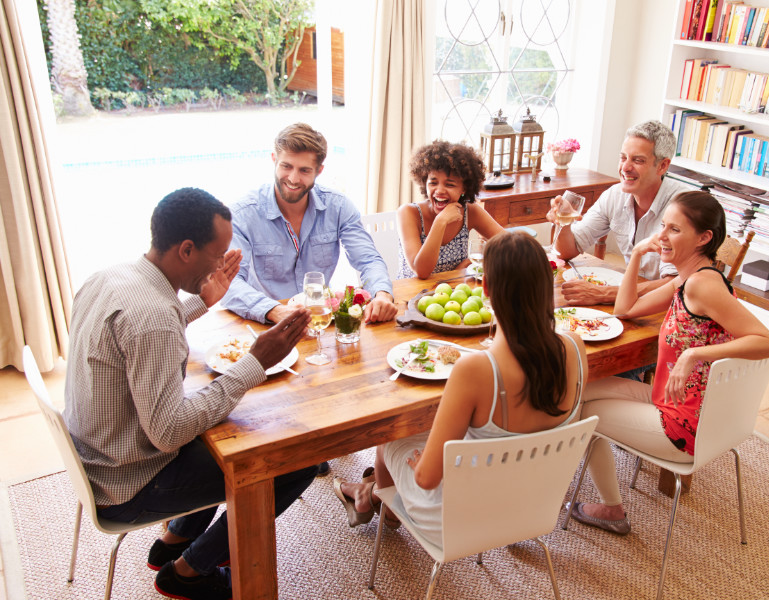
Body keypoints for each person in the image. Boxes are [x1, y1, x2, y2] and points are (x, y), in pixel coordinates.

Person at [63, 188, 318, 600]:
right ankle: (188, 573)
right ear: (185, 250)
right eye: (217, 255)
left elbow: (140, 336)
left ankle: (176, 540)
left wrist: (201, 302)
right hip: (128, 484)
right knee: (295, 459)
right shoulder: (155, 318)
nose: (223, 264)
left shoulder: (113, 276)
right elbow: (169, 431)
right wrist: (255, 362)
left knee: (229, 430)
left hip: (99, 454)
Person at [333, 232, 588, 545]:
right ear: (546, 284)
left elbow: (426, 478)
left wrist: (422, 462)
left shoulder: (476, 369)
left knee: (391, 438)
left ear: (486, 289)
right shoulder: (575, 348)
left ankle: (380, 503)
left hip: (457, 520)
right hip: (532, 508)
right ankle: (368, 495)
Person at [568, 191, 769, 534]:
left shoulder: (702, 286)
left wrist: (693, 354)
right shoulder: (689, 279)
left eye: (675, 230)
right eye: (663, 227)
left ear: (704, 238)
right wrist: (638, 252)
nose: (663, 237)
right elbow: (626, 309)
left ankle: (611, 510)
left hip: (685, 424)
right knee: (581, 390)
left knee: (582, 413)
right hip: (680, 402)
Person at [221, 122, 398, 325]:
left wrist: (382, 294)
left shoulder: (339, 206)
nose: (293, 179)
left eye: (304, 170)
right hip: (265, 323)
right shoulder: (243, 214)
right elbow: (229, 283)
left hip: (321, 320)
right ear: (274, 160)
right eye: (286, 166)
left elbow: (368, 260)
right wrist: (274, 310)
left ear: (319, 170)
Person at [547, 120, 690, 306]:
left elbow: (676, 285)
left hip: (674, 307)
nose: (625, 167)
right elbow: (568, 250)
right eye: (623, 158)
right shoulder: (615, 195)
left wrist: (604, 293)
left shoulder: (682, 207)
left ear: (662, 166)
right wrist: (563, 222)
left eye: (638, 160)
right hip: (633, 296)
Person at [398, 140, 506, 279]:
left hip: (455, 295)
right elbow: (422, 272)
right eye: (433, 182)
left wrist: (470, 262)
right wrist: (441, 221)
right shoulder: (408, 213)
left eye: (450, 184)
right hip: (411, 296)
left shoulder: (470, 212)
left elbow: (508, 243)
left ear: (464, 188)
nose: (439, 190)